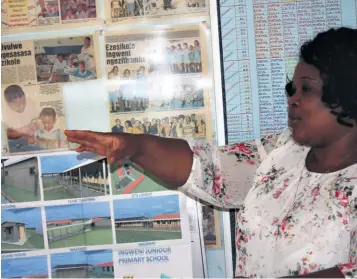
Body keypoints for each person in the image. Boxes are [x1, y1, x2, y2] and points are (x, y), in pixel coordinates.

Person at [65, 28, 357, 278]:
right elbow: (210, 170)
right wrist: (134, 146)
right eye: (293, 89)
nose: (292, 100)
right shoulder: (282, 152)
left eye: (307, 89)